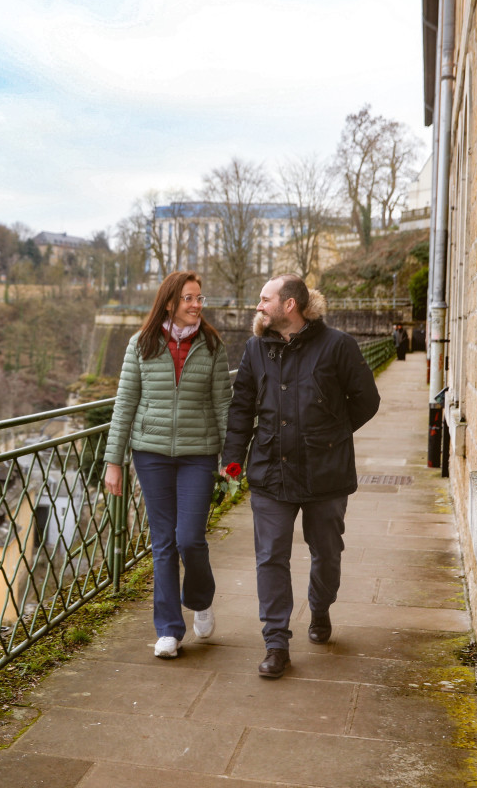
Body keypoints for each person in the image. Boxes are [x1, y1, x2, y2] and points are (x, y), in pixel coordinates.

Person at [222, 275, 380, 678]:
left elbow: (366, 400)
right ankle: (276, 643)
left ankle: (321, 606)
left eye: (264, 299)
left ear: (288, 304)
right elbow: (241, 407)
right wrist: (233, 458)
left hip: (325, 474)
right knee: (270, 556)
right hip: (271, 472)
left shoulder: (337, 346)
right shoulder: (257, 349)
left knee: (326, 551)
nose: (258, 306)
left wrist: (330, 436)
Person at [103, 270, 232, 659]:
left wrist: (232, 461)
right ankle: (169, 631)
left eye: (200, 298)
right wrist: (114, 461)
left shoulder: (211, 345)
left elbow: (223, 405)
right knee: (162, 543)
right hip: (151, 454)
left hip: (198, 453)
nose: (197, 305)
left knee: (190, 538)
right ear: (171, 302)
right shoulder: (141, 344)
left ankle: (201, 598)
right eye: (190, 298)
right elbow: (124, 405)